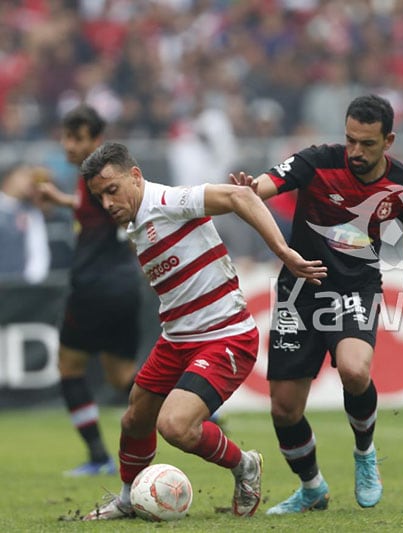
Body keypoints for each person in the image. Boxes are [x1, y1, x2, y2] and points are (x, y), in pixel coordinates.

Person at [78, 141, 327, 520]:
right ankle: (130, 497)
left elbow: (239, 196)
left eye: (112, 190)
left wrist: (283, 251)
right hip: (178, 337)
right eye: (100, 197)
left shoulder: (168, 201)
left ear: (135, 177)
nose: (108, 202)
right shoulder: (133, 224)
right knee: (135, 419)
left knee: (175, 426)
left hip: (225, 336)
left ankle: (244, 465)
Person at [234, 94, 403, 514]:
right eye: (350, 140)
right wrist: (251, 191)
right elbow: (266, 186)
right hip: (299, 290)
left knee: (356, 370)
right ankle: (312, 488)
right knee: (285, 409)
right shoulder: (317, 161)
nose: (355, 151)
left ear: (388, 141)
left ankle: (365, 454)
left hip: (356, 287)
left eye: (367, 144)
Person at [36, 105, 141, 477]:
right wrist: (61, 200)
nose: (68, 145)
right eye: (65, 136)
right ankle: (194, 402)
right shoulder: (104, 184)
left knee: (69, 366)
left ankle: (98, 457)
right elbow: (95, 211)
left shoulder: (98, 180)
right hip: (126, 285)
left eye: (77, 138)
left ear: (96, 141)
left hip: (94, 286)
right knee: (120, 376)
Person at [0, 164, 50, 283]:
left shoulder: (31, 212)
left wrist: (29, 283)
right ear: (9, 178)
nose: (29, 181)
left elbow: (38, 252)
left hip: (19, 287)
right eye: (24, 176)